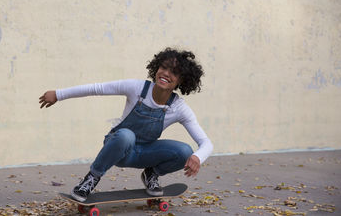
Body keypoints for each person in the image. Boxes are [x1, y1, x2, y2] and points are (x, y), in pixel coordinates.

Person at [39, 47, 213, 202]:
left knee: (185, 152)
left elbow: (206, 143)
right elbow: (96, 88)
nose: (166, 73)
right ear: (156, 68)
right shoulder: (136, 88)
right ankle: (91, 179)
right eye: (164, 67)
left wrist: (198, 157)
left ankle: (152, 174)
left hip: (146, 153)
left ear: (181, 80)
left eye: (174, 72)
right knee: (126, 135)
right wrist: (59, 94)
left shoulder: (179, 107)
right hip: (119, 149)